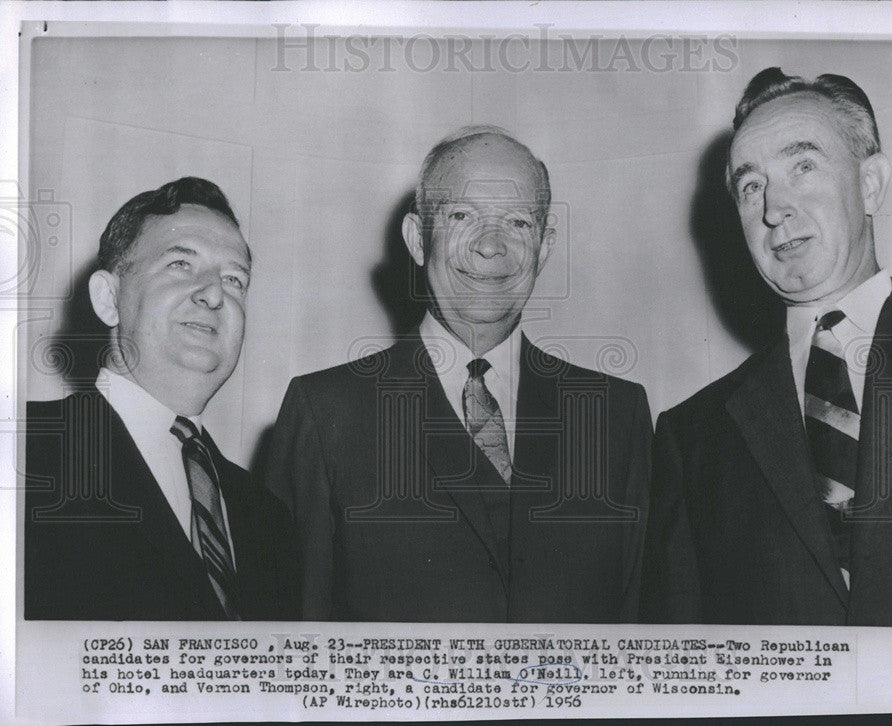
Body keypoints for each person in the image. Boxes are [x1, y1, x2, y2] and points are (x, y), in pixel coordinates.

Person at [265, 127, 652, 622]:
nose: (491, 246)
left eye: (517, 221)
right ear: (417, 238)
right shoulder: (326, 412)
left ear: (545, 247)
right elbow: (292, 641)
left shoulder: (616, 416)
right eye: (462, 215)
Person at [640, 68, 892, 627]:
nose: (773, 208)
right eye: (751, 186)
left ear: (871, 184)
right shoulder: (692, 437)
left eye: (803, 166)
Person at [24, 177, 297, 620]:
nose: (214, 293)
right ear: (108, 298)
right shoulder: (22, 453)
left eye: (235, 279)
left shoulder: (268, 517)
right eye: (180, 265)